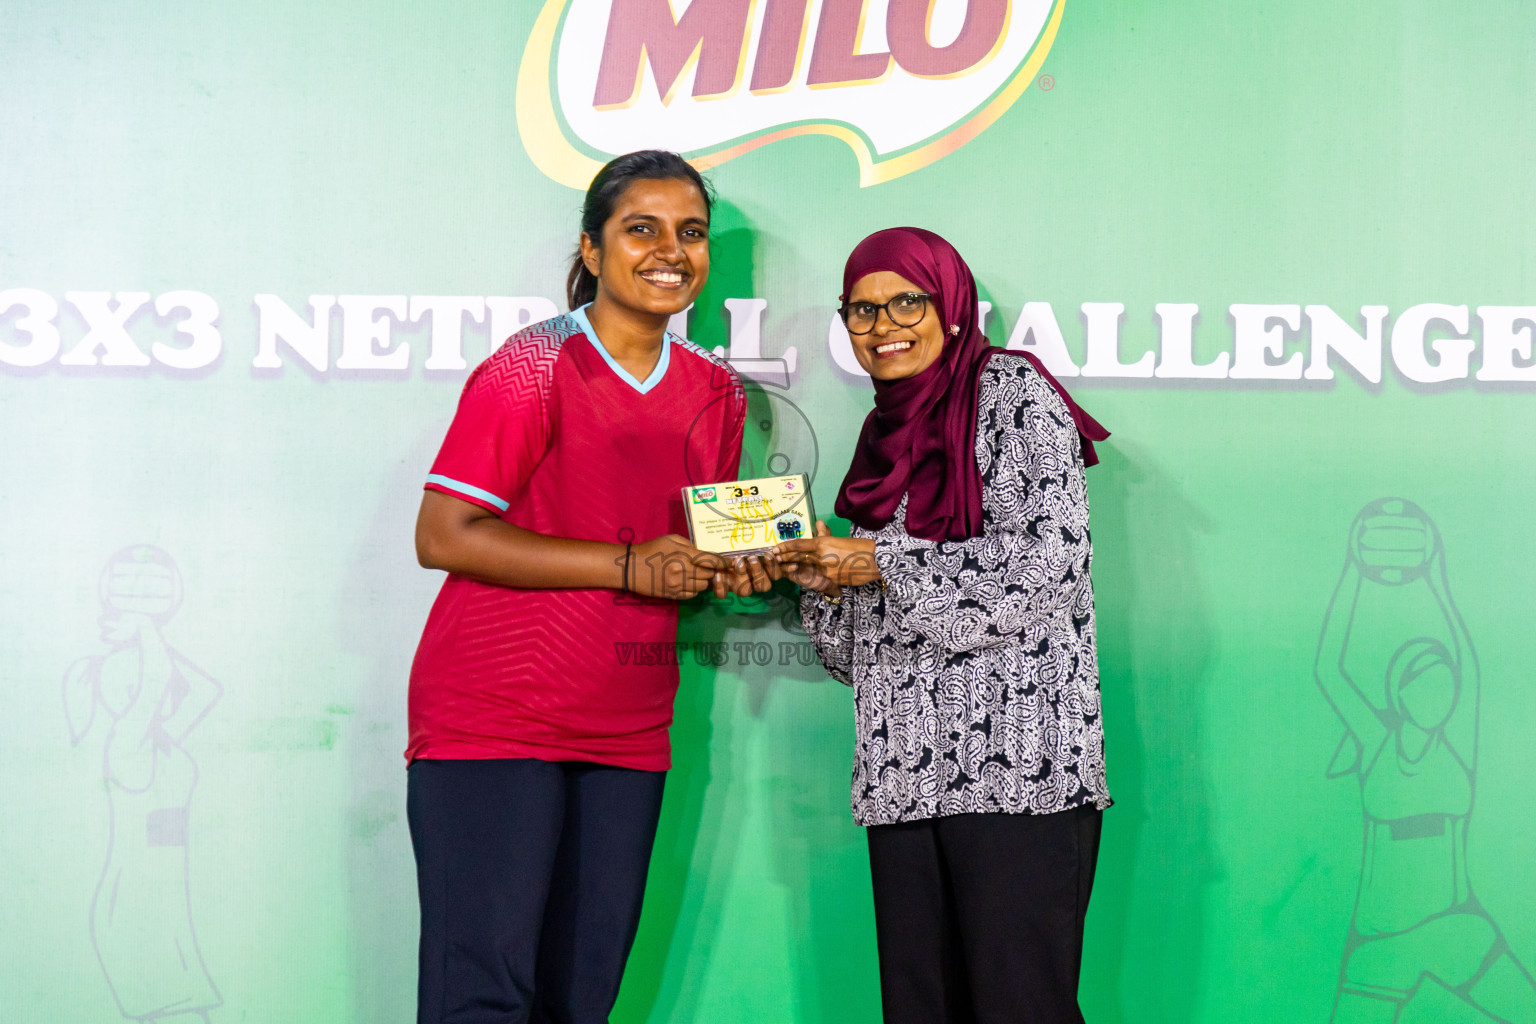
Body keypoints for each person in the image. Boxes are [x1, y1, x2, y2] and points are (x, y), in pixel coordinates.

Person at [405, 150, 746, 1024]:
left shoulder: (718, 392)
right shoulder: (534, 364)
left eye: (692, 232)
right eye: (642, 228)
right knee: (484, 997)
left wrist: (749, 568)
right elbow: (443, 536)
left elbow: (692, 561)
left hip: (629, 728)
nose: (672, 250)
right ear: (591, 250)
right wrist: (629, 563)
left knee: (580, 1001)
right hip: (495, 716)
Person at [753, 227, 1112, 1023]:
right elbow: (860, 655)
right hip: (903, 776)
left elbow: (1049, 561)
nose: (883, 327)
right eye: (862, 310)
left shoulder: (1014, 394)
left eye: (905, 302)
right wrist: (821, 580)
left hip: (1019, 769)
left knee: (1021, 1007)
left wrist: (878, 565)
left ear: (950, 307)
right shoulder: (880, 438)